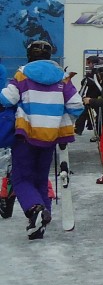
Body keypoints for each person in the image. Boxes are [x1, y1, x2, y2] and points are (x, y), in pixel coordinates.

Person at [0, 39, 84, 240]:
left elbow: (6, 99)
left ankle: (34, 210)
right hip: (51, 137)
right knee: (39, 179)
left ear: (29, 55)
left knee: (21, 179)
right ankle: (39, 225)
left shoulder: (22, 74)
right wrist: (59, 118)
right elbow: (77, 106)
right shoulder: (62, 78)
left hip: (25, 135)